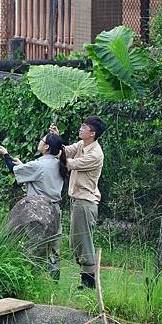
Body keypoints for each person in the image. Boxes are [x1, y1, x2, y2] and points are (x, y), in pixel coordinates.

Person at [0, 133, 67, 281]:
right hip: (55, 209)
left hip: (39, 211)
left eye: (42, 140)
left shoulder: (38, 165)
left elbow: (13, 169)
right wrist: (23, 164)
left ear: (46, 147)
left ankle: (29, 277)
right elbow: (36, 175)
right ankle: (54, 280)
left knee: (33, 245)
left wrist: (5, 155)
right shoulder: (58, 163)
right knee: (54, 246)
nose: (40, 141)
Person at [50, 116, 105, 290]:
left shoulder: (95, 154)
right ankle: (85, 281)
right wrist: (57, 139)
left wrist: (54, 146)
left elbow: (68, 163)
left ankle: (88, 284)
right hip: (78, 201)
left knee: (84, 242)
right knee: (76, 242)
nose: (80, 129)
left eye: (84, 127)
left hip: (86, 201)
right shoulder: (82, 144)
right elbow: (66, 151)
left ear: (92, 133)